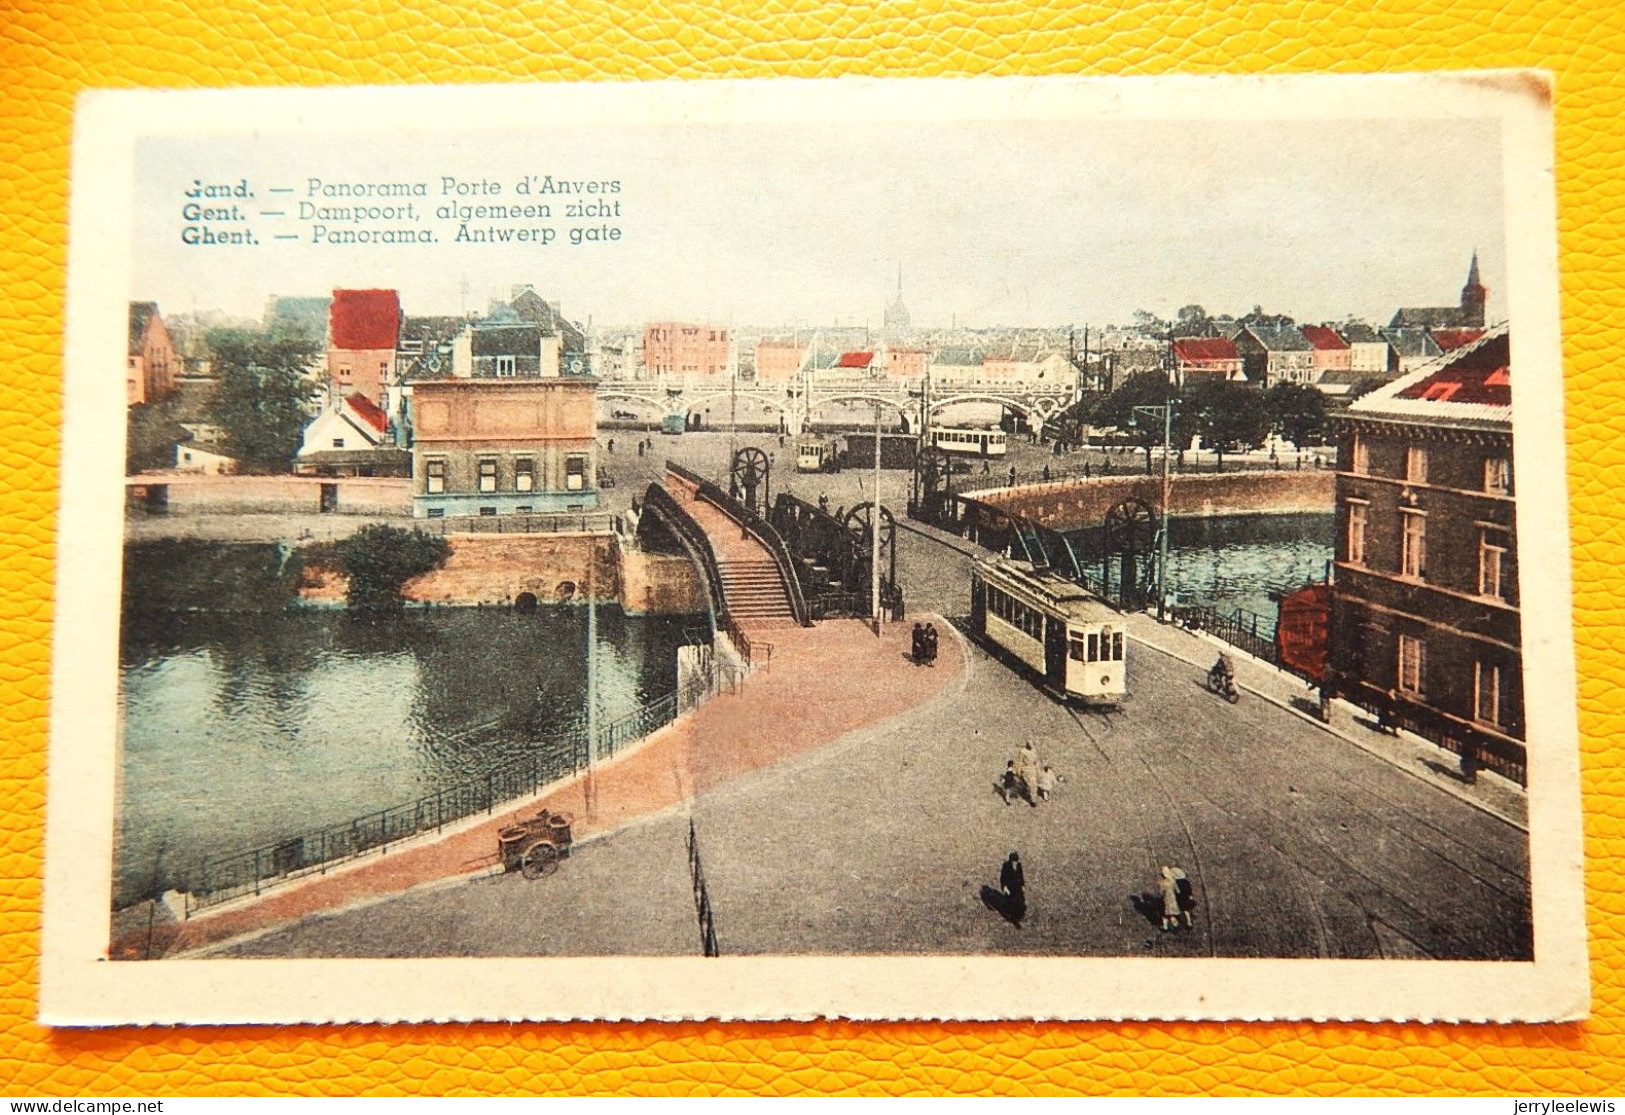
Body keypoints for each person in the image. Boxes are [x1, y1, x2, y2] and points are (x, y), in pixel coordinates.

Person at [1000, 852, 1026, 927]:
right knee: (1010, 903)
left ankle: (1019, 917)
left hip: (1017, 887)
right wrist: (1004, 886)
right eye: (1014, 861)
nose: (1015, 863)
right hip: (1010, 887)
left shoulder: (1019, 865)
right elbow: (1003, 877)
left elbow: (1021, 876)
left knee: (1020, 901)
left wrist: (1022, 885)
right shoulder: (1006, 866)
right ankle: (1011, 917)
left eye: (1016, 861)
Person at [1013, 741, 1040, 807]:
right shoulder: (1023, 752)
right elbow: (1019, 762)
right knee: (1031, 785)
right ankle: (1032, 800)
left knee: (1033, 785)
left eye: (1032, 745)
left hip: (1033, 770)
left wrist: (1038, 769)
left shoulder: (1034, 750)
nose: (1031, 746)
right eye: (1030, 745)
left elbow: (1036, 761)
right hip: (1026, 770)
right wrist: (1018, 771)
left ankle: (1033, 799)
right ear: (1027, 745)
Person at [1159, 866, 1183, 931]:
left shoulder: (1162, 883)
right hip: (1173, 900)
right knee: (1172, 914)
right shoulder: (1173, 881)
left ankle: (1165, 927)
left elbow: (1161, 893)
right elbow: (1178, 891)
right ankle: (1175, 925)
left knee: (1165, 914)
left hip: (1166, 900)